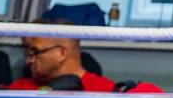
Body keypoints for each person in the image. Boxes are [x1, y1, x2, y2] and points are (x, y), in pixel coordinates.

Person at [8, 30, 162, 93]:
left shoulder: (104, 91)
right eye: (28, 53)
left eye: (36, 52)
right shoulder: (19, 89)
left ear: (62, 53)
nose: (29, 60)